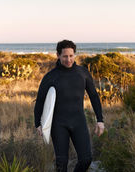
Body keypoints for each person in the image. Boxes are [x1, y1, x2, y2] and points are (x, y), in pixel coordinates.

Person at [34, 39, 105, 172]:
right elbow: (40, 101)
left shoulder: (82, 73)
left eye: (71, 56)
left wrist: (100, 120)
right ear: (58, 55)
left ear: (75, 55)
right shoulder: (50, 77)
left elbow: (94, 96)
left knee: (86, 159)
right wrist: (37, 123)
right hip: (59, 123)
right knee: (61, 163)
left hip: (78, 121)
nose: (68, 60)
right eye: (65, 56)